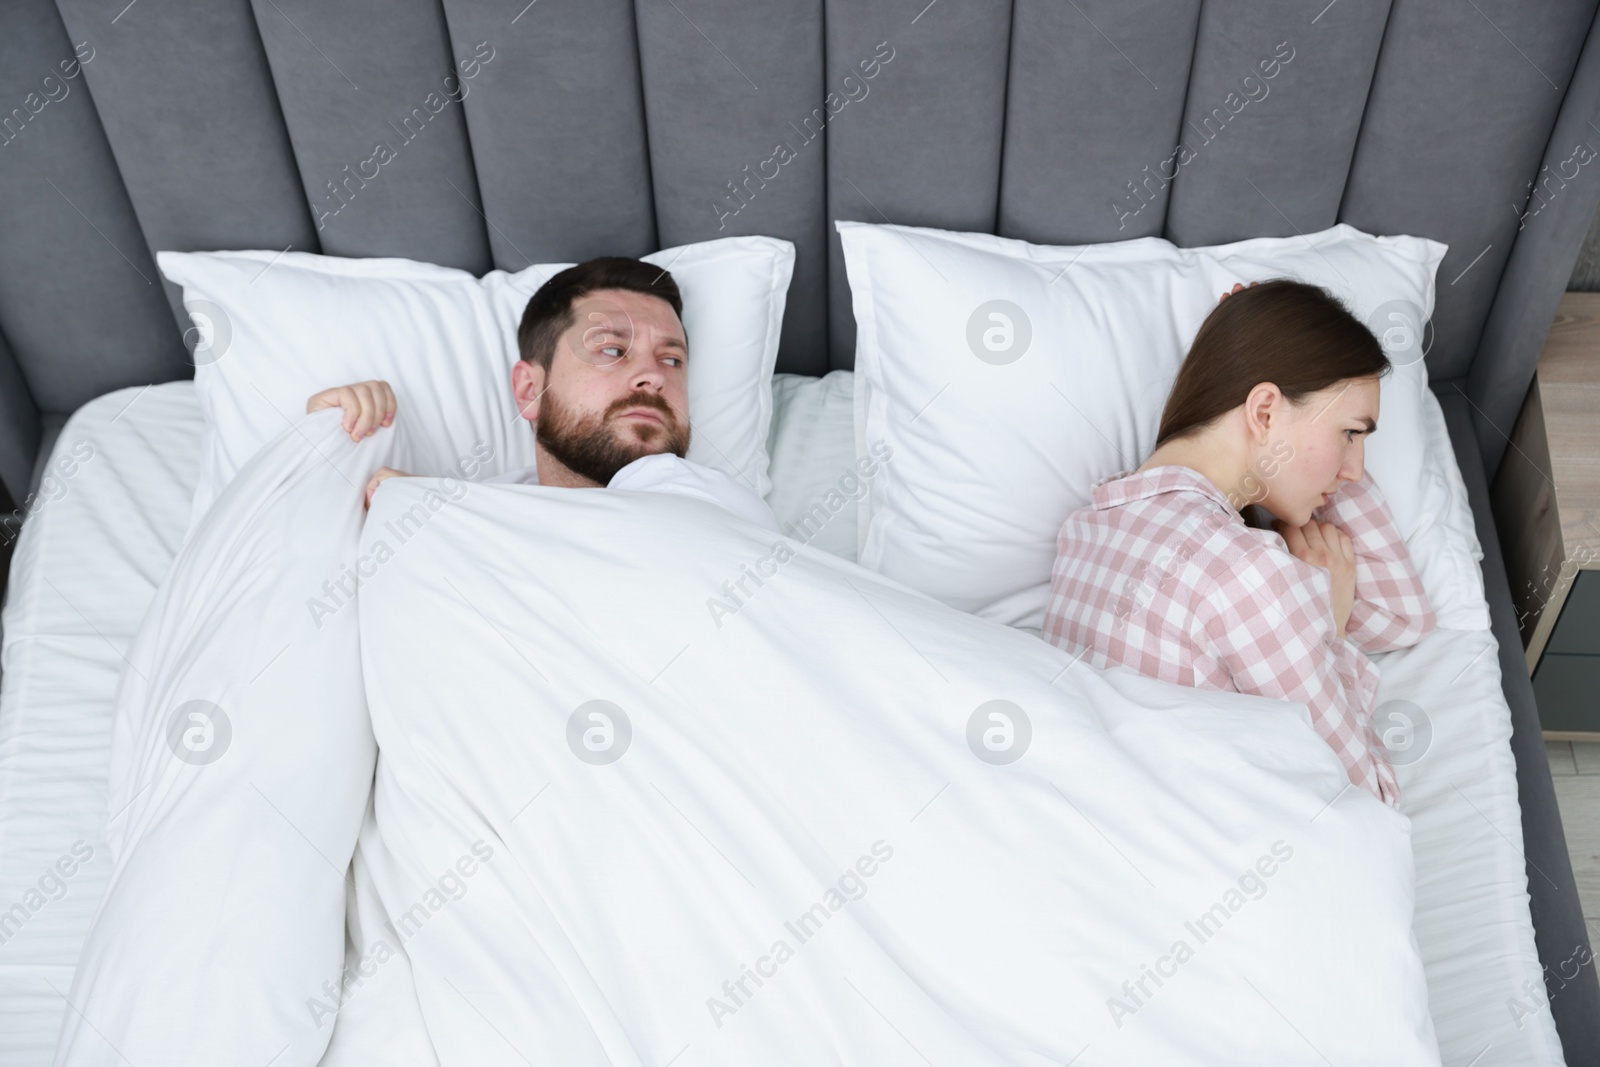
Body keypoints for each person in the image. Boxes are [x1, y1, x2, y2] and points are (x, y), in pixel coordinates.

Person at [1041, 279, 1435, 807]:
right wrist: (1331, 628)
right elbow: (1369, 800)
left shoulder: (1088, 530)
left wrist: (1245, 355)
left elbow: (1397, 617)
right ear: (1265, 411)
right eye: (1351, 433)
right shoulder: (1248, 574)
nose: (1357, 472)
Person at [304, 256, 778, 532]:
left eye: (671, 359)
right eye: (612, 349)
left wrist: (423, 506)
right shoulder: (474, 508)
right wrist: (327, 445)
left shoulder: (712, 506)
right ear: (530, 389)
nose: (653, 377)